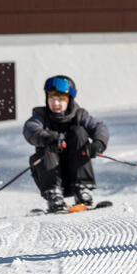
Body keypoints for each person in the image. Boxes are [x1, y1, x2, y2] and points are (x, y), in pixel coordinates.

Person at [22, 75, 109, 213]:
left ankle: (82, 191)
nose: (56, 103)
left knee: (79, 132)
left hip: (76, 171)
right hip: (50, 173)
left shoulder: (79, 115)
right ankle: (54, 196)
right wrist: (47, 138)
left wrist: (99, 143)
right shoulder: (41, 116)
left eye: (61, 99)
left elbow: (99, 127)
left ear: (70, 100)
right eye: (52, 98)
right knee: (48, 139)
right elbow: (30, 128)